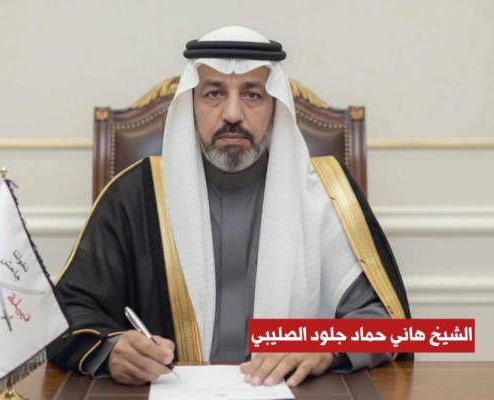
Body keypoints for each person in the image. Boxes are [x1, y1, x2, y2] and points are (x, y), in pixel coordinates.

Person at [47, 26, 411, 387]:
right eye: (214, 94)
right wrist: (112, 349)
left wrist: (325, 344)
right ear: (191, 104)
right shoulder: (134, 194)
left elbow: (392, 327)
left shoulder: (326, 195)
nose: (233, 113)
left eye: (252, 95)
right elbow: (65, 315)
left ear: (275, 107)